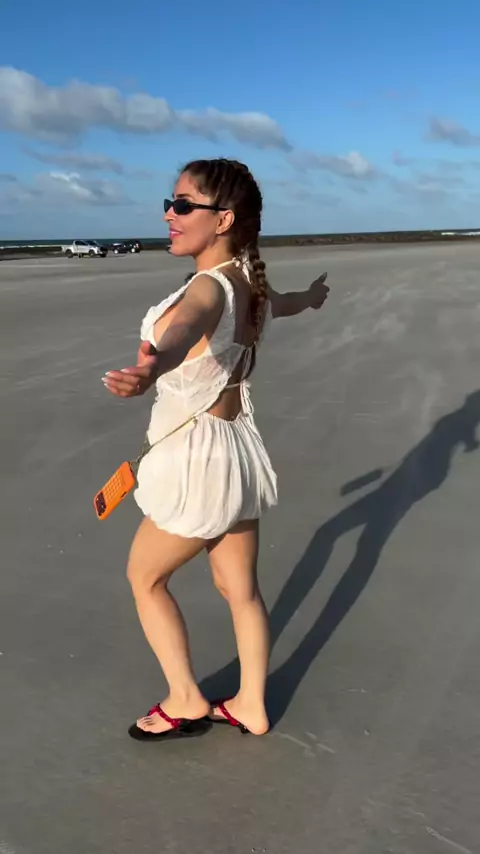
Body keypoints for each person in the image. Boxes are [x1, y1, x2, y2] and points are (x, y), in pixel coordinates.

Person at [102, 158, 329, 741]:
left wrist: (152, 368)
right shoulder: (250, 283)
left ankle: (185, 699)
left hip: (196, 461)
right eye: (170, 203)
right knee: (240, 590)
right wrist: (312, 296)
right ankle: (250, 704)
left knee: (144, 577)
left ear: (223, 219)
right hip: (235, 450)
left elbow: (184, 331)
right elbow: (283, 304)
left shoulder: (208, 286)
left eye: (182, 205)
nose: (168, 215)